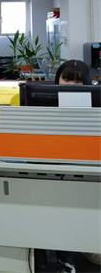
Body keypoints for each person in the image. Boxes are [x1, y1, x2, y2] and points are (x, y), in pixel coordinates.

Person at [34, 59, 93, 273]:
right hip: (49, 165)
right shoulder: (44, 101)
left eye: (78, 81)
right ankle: (46, 261)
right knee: (46, 213)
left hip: (83, 168)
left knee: (72, 214)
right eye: (66, 79)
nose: (71, 85)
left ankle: (67, 260)